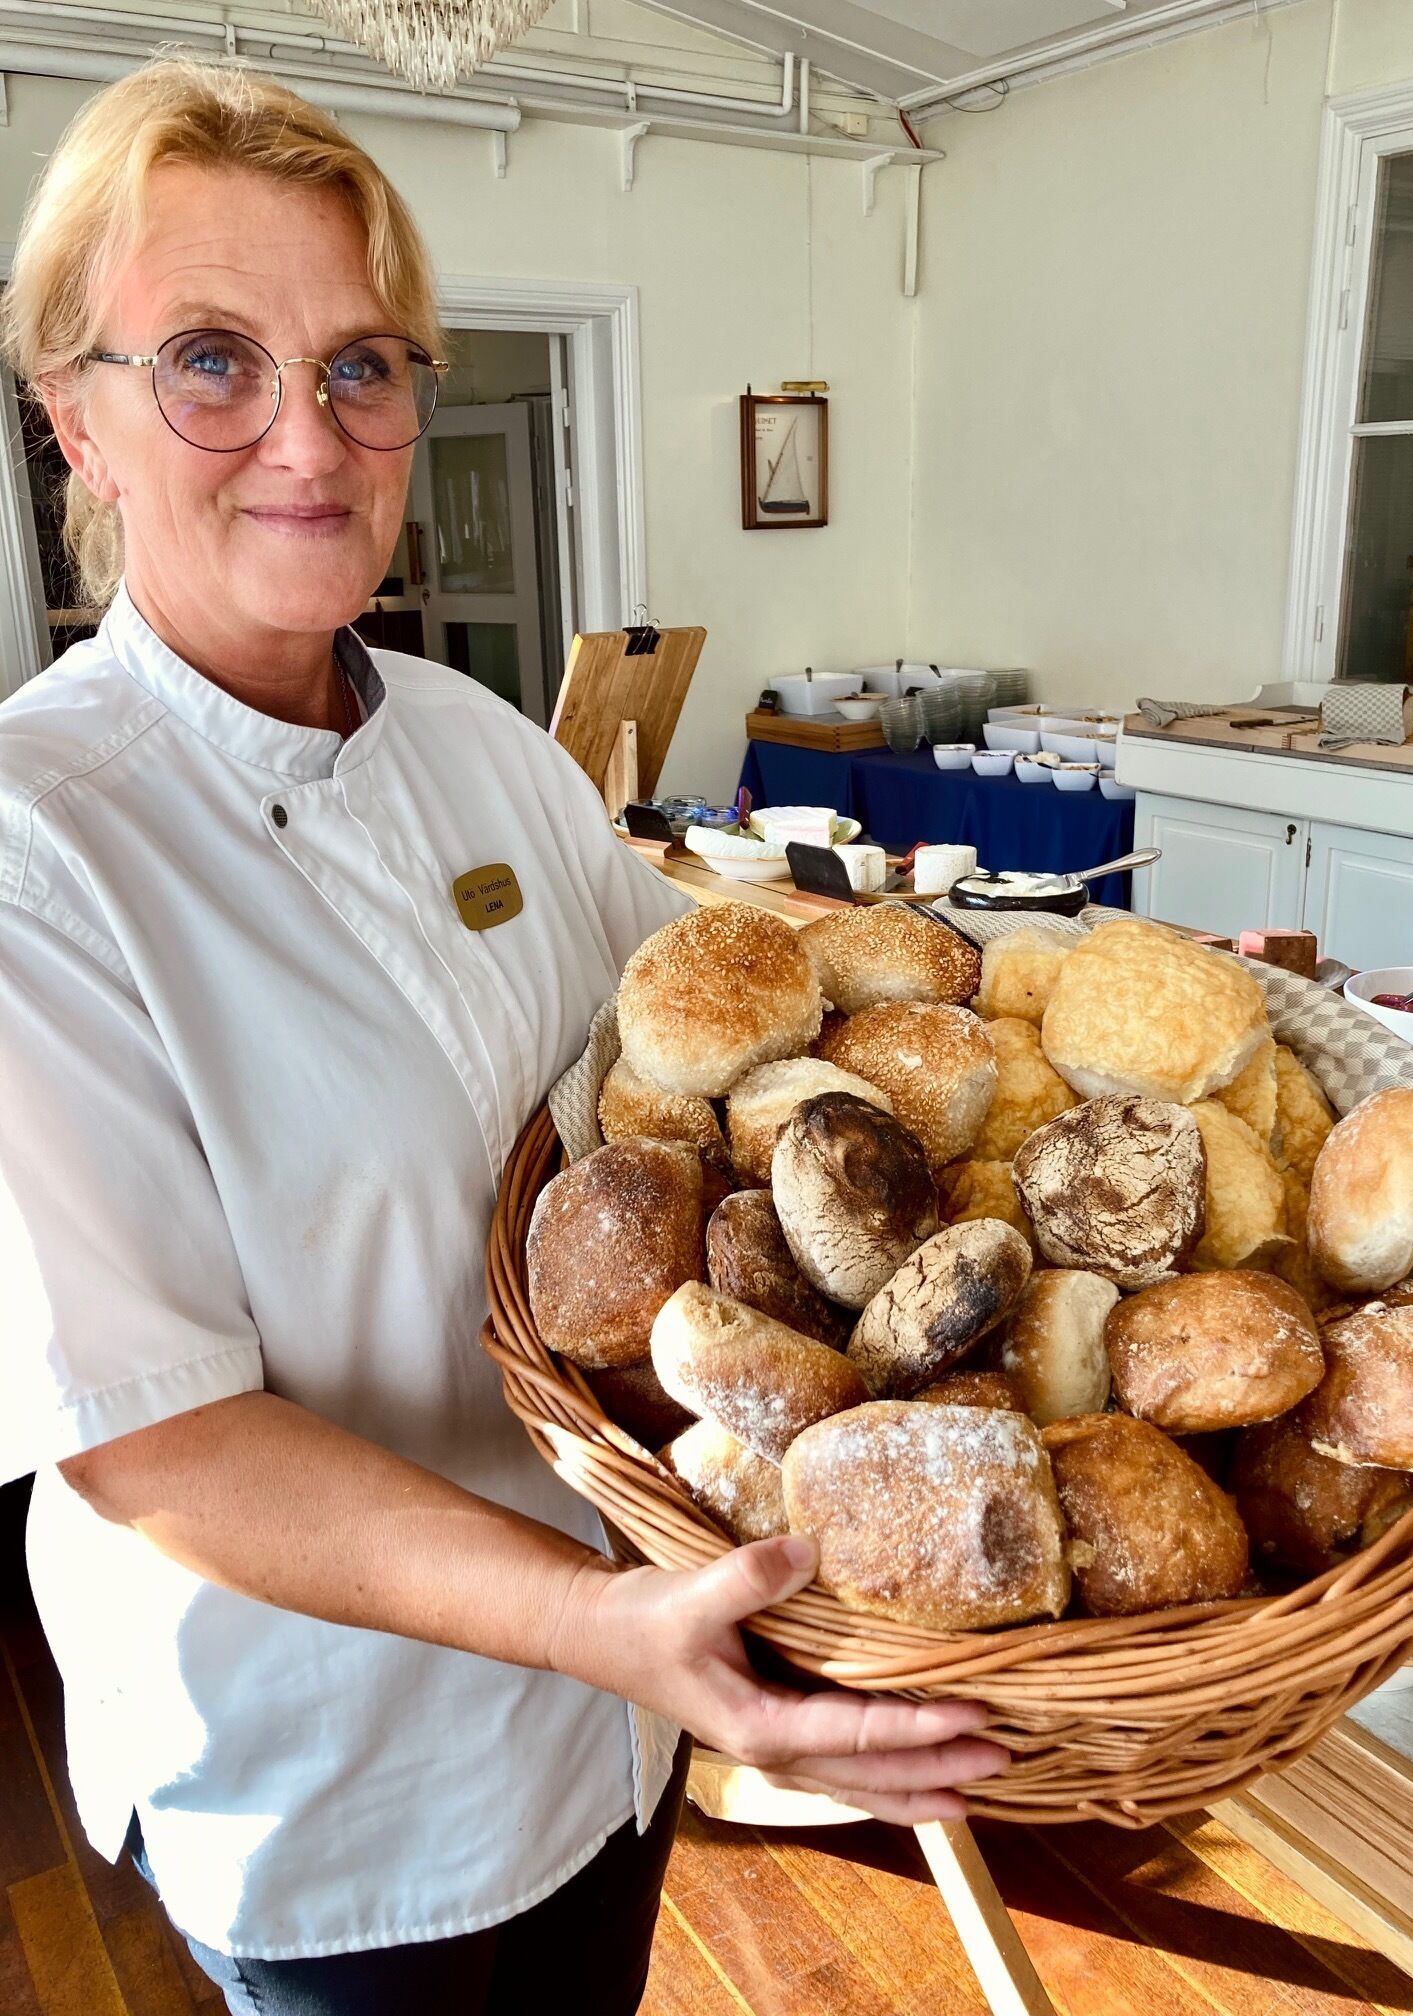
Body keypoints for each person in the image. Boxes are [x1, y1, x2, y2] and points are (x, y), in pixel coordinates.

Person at [0, 57, 999, 2016]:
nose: (309, 434)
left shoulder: (480, 748)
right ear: (77, 424)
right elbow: (154, 1440)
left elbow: (681, 1060)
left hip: (631, 1700)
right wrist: (608, 1623)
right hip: (350, 1784)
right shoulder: (44, 846)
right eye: (213, 360)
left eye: (364, 366)